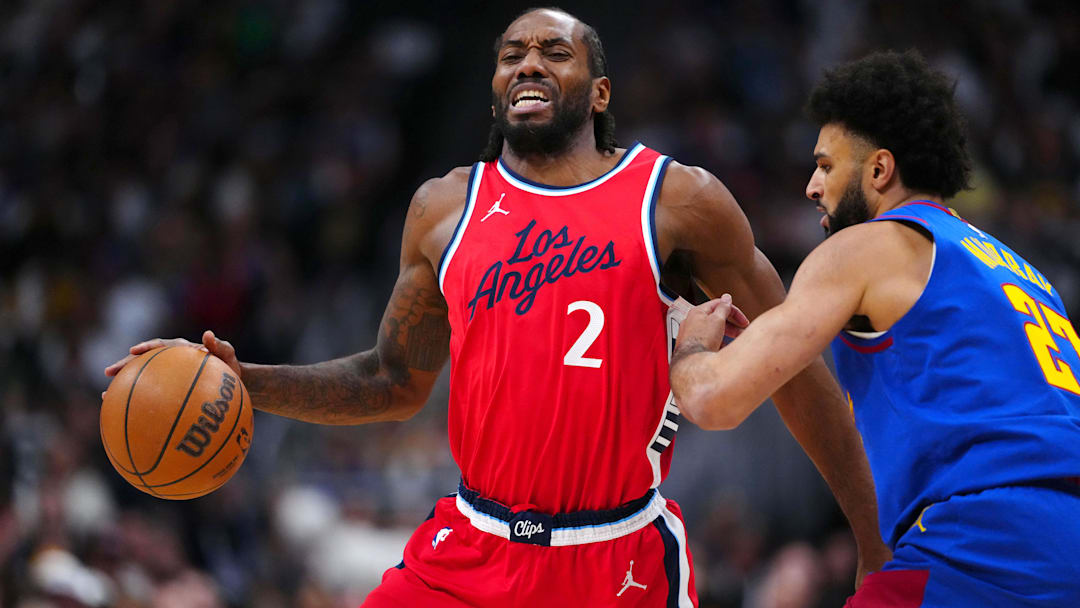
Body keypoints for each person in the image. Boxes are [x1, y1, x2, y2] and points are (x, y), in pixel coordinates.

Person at [106, 8, 888, 606]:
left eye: (554, 51)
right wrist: (249, 381)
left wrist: (871, 540)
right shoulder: (444, 210)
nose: (528, 63)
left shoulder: (676, 202)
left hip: (614, 559)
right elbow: (392, 381)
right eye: (511, 54)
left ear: (600, 90)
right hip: (468, 551)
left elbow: (796, 367)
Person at [670, 49, 1080, 607]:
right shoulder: (1021, 271)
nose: (812, 186)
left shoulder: (867, 245)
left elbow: (716, 399)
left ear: (880, 170)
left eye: (826, 166)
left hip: (985, 542)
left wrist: (690, 344)